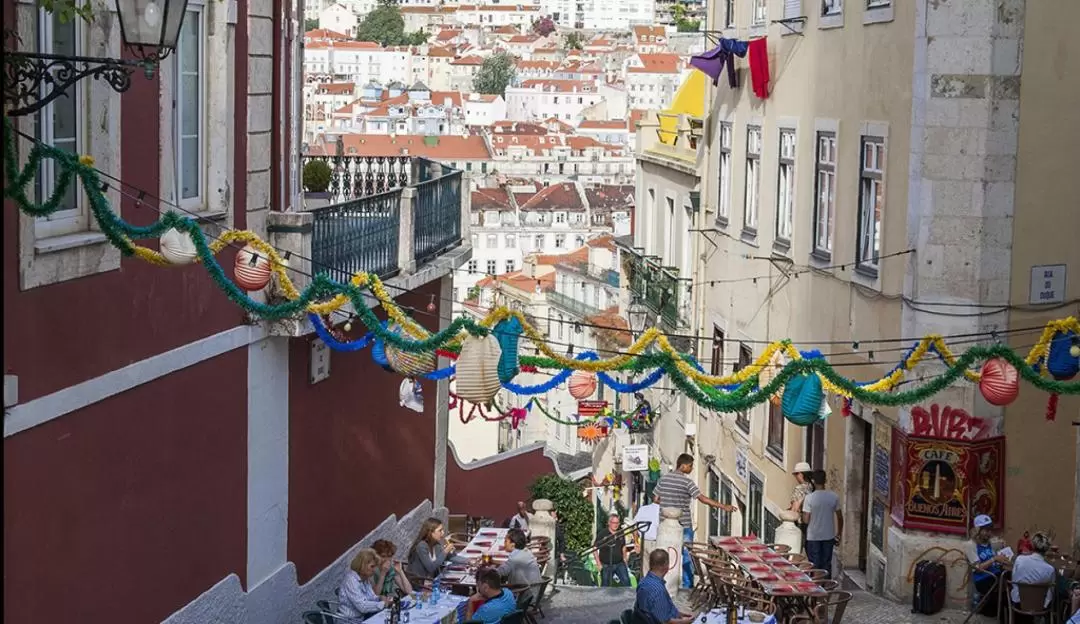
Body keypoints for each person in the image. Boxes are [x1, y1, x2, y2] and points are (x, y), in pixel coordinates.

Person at [654, 453, 736, 588]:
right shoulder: (687, 482)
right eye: (690, 466)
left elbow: (656, 499)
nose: (691, 469)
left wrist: (668, 504)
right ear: (683, 465)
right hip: (684, 524)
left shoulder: (663, 479)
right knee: (687, 556)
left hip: (665, 524)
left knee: (666, 555)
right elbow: (702, 499)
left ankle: (665, 584)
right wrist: (724, 506)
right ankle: (688, 586)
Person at [633, 549, 697, 624]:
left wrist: (680, 614)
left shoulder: (643, 582)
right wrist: (686, 621)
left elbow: (661, 610)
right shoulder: (658, 590)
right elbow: (666, 622)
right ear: (665, 565)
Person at [964, 514, 1010, 617]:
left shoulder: (989, 543)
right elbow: (978, 568)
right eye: (986, 530)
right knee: (1007, 590)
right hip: (983, 579)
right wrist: (994, 559)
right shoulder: (970, 545)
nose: (989, 533)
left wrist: (1001, 560)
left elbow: (993, 562)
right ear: (978, 531)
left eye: (990, 530)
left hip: (996, 575)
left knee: (1014, 579)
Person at [801, 470, 842, 579]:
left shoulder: (809, 498)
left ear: (813, 481)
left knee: (814, 565)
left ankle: (816, 589)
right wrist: (839, 534)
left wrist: (803, 515)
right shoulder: (834, 497)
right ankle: (826, 589)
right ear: (826, 480)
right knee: (826, 564)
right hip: (829, 536)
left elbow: (806, 520)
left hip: (813, 537)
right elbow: (840, 517)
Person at [1009, 531, 1056, 618]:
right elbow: (1050, 593)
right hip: (1040, 606)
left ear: (1033, 545)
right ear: (1047, 549)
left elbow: (1014, 581)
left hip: (1018, 602)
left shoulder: (1020, 560)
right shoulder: (1050, 569)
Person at [337, 548, 391, 622]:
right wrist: (382, 604)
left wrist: (380, 598)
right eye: (372, 566)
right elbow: (362, 606)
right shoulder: (351, 580)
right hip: (349, 621)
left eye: (375, 567)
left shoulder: (364, 578)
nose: (374, 569)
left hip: (362, 617)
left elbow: (371, 597)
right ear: (362, 565)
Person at [407, 517, 456, 582]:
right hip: (420, 585)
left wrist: (452, 552)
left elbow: (450, 558)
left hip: (433, 581)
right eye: (440, 530)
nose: (443, 533)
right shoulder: (421, 546)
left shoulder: (436, 544)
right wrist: (445, 551)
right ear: (430, 532)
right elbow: (431, 568)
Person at [594, 513, 632, 587]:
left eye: (617, 523)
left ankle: (628, 597)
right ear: (609, 523)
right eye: (614, 523)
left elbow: (623, 546)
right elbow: (595, 548)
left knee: (626, 581)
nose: (616, 525)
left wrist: (625, 559)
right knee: (605, 584)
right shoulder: (603, 533)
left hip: (619, 563)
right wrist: (598, 563)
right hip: (606, 564)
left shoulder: (620, 532)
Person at [789, 462, 815, 540]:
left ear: (800, 474)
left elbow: (795, 509)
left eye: (796, 474)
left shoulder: (799, 489)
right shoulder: (812, 487)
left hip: (801, 523)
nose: (795, 477)